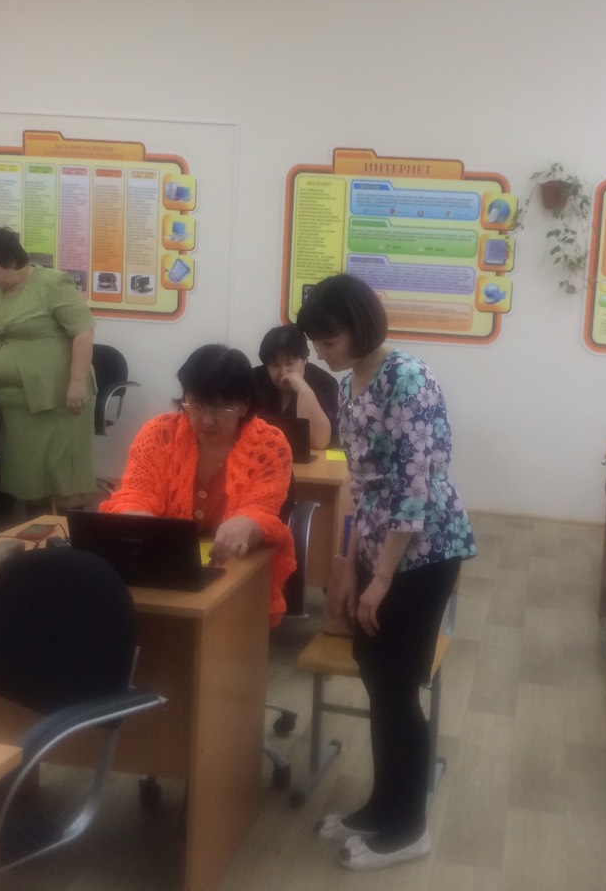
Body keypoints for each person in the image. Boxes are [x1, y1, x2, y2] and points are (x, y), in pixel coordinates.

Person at [295, 274, 475, 872]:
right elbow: (360, 484)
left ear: (360, 326)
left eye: (329, 339)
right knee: (377, 678)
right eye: (316, 342)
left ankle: (408, 828)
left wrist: (382, 577)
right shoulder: (354, 382)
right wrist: (349, 564)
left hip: (424, 553)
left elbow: (413, 489)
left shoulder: (407, 377)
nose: (322, 352)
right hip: (380, 550)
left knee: (396, 687)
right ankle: (382, 806)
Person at [99, 344, 297, 622]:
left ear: (244, 405)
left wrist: (248, 524)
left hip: (231, 569)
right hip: (164, 569)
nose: (206, 419)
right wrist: (137, 520)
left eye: (221, 407)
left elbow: (261, 511)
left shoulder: (270, 445)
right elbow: (135, 493)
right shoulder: (159, 434)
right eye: (197, 404)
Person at [0, 225, 96, 512]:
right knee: (28, 479)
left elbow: (83, 333)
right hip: (15, 406)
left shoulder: (52, 284)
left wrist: (77, 383)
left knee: (63, 478)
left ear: (10, 260)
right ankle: (38, 534)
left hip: (59, 398)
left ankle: (69, 533)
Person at [252, 324, 339, 449]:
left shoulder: (325, 383)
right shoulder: (254, 379)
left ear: (305, 359)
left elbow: (320, 442)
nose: (283, 372)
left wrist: (303, 389)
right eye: (275, 365)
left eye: (290, 363)